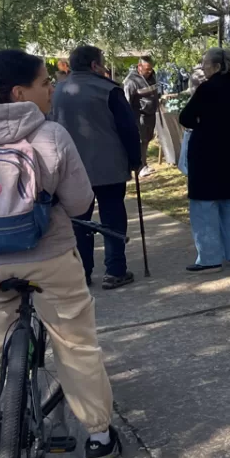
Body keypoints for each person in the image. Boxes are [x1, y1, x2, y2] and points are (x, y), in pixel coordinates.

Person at [0, 49, 120, 458]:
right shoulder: (51, 135)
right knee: (75, 344)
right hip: (47, 259)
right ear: (19, 92)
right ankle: (98, 437)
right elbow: (79, 204)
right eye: (45, 83)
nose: (52, 89)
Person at [51, 44, 142, 289]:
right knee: (112, 216)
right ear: (94, 65)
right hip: (108, 166)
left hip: (70, 168)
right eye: (101, 63)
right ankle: (115, 270)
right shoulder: (109, 90)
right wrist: (135, 159)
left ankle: (82, 271)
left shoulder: (56, 91)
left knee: (79, 221)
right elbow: (128, 128)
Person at [179, 49, 230, 272]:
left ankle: (209, 258)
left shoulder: (207, 88)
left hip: (205, 150)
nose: (203, 66)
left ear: (217, 66)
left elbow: (185, 117)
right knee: (229, 201)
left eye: (205, 63)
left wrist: (202, 121)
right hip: (228, 148)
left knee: (204, 203)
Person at [123, 55, 161, 176]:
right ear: (139, 67)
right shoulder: (131, 81)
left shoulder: (152, 76)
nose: (149, 72)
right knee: (140, 141)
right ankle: (140, 167)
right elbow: (126, 101)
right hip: (139, 116)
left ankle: (144, 164)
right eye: (147, 69)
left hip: (150, 115)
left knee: (146, 140)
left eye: (151, 68)